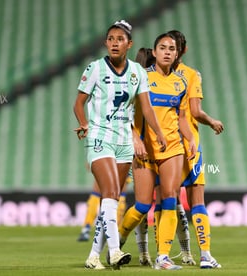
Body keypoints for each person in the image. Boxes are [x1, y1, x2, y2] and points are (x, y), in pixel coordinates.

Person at [73, 20, 166, 270]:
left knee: (111, 198)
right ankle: (114, 252)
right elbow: (78, 104)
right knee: (111, 193)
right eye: (111, 39)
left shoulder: (137, 71)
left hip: (124, 140)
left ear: (129, 44)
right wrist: (84, 124)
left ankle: (93, 256)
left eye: (120, 39)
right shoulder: (95, 69)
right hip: (100, 138)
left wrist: (158, 133)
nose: (115, 43)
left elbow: (146, 108)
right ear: (106, 42)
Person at [119, 33, 196, 270]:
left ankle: (163, 257)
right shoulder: (141, 77)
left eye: (171, 49)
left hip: (172, 147)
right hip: (144, 148)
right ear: (154, 52)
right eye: (162, 47)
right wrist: (133, 136)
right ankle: (118, 240)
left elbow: (182, 117)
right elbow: (123, 109)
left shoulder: (180, 82)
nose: (167, 52)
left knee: (170, 196)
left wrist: (190, 137)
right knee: (142, 205)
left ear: (176, 54)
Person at [168, 29, 224, 269]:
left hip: (165, 145)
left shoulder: (154, 74)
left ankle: (159, 256)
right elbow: (195, 112)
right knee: (197, 199)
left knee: (166, 201)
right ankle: (205, 255)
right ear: (186, 49)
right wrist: (212, 121)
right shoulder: (191, 75)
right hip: (189, 145)